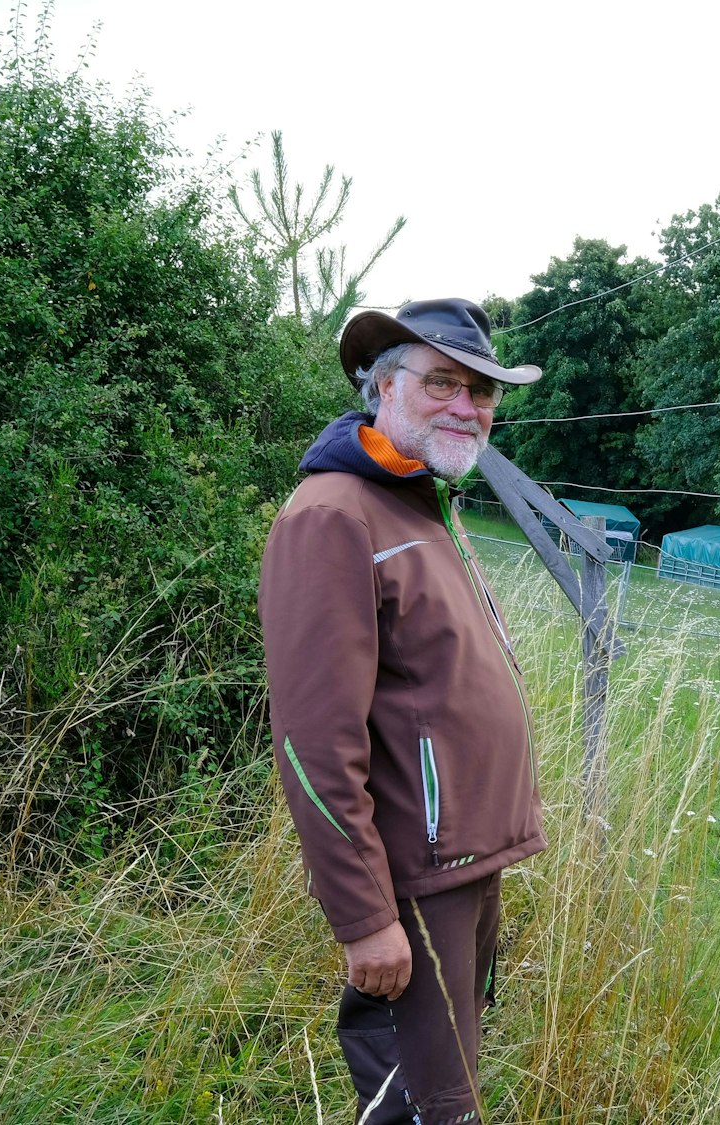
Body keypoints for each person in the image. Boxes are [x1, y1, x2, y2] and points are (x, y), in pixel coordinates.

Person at [259, 298, 545, 1125]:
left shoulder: (420, 501)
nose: (469, 407)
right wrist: (365, 917)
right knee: (425, 1107)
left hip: (460, 866)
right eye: (444, 383)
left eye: (483, 391)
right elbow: (314, 746)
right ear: (383, 388)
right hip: (411, 884)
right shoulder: (333, 516)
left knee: (440, 1093)